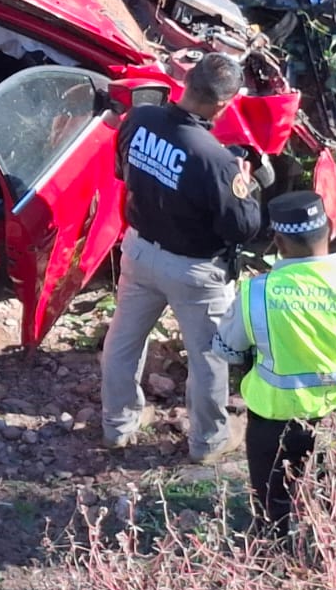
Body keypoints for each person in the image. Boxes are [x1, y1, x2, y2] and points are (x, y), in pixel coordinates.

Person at [101, 52, 262, 464]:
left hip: (139, 251)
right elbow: (243, 229)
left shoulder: (139, 119)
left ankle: (117, 426)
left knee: (124, 339)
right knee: (208, 356)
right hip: (194, 272)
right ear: (224, 104)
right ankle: (208, 442)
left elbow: (123, 171)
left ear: (185, 82)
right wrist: (244, 181)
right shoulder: (218, 161)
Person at [214, 191, 336, 539]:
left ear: (279, 241)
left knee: (271, 509)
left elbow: (226, 349)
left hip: (275, 420)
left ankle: (277, 565)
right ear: (329, 229)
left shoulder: (257, 292)